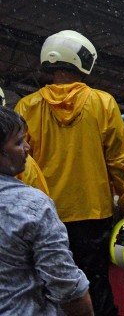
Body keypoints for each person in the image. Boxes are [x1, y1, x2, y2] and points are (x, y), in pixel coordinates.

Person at [15, 30, 124, 316]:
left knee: (49, 285)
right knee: (96, 283)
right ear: (82, 60)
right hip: (94, 213)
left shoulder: (26, 106)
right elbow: (119, 160)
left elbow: (18, 167)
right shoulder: (103, 103)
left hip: (43, 213)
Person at [0, 105, 95, 316]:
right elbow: (66, 286)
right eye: (18, 142)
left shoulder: (32, 103)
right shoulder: (32, 204)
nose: (27, 147)